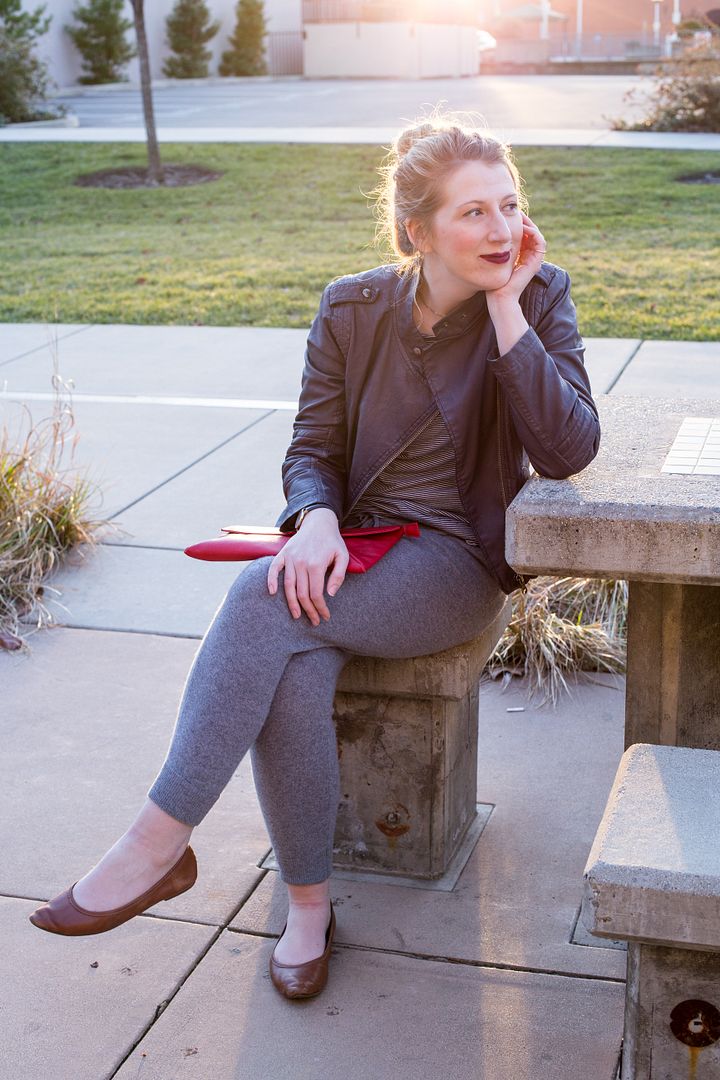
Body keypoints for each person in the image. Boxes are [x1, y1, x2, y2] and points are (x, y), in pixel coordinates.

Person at [28, 112, 600, 1000]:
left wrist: (504, 309)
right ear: (418, 232)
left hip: (455, 562)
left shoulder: (538, 295)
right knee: (293, 660)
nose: (501, 229)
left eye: (509, 205)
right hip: (354, 547)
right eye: (473, 212)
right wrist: (318, 519)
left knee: (264, 599)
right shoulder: (353, 306)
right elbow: (312, 446)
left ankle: (155, 844)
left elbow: (568, 449)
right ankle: (307, 908)